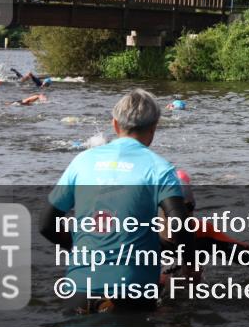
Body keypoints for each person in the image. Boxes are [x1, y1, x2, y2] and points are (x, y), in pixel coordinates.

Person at [40, 89, 195, 313]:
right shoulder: (159, 168)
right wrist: (189, 265)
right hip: (132, 291)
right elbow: (179, 222)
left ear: (114, 124)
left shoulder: (81, 161)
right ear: (154, 128)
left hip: (79, 290)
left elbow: (46, 224)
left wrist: (76, 247)